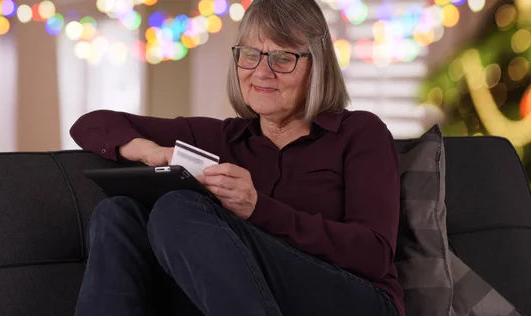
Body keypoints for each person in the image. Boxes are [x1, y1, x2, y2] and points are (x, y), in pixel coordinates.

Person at [70, 0, 404, 315]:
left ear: (317, 65)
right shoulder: (223, 137)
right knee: (117, 214)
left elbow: (373, 255)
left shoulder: (360, 132)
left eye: (283, 58)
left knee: (176, 210)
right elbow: (92, 123)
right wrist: (151, 152)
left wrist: (258, 209)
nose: (261, 72)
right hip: (250, 297)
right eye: (250, 55)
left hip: (357, 298)